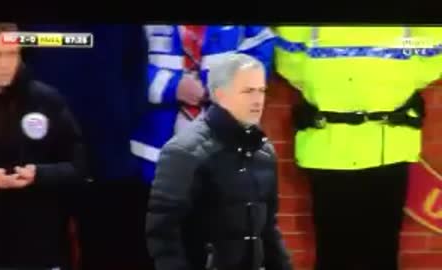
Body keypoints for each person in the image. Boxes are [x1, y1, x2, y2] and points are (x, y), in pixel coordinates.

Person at [273, 26, 440, 270]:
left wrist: (334, 88)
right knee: (360, 250)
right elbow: (287, 60)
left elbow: (292, 63)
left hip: (348, 144)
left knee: (351, 250)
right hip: (370, 142)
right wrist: (389, 84)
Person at [146, 53, 293, 270]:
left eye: (261, 91)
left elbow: (268, 230)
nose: (258, 100)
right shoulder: (185, 152)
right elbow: (163, 234)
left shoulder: (264, 152)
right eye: (248, 91)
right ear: (220, 95)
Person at [23, 24, 151, 270]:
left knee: (111, 248)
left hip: (110, 152)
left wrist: (123, 118)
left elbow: (136, 65)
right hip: (44, 150)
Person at [0, 22, 87, 270]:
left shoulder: (47, 100)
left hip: (41, 249)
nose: (5, 63)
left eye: (12, 54)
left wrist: (39, 174)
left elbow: (80, 167)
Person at [131, 25, 275, 185]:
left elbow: (261, 49)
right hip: (150, 148)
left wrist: (221, 86)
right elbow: (119, 62)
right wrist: (173, 86)